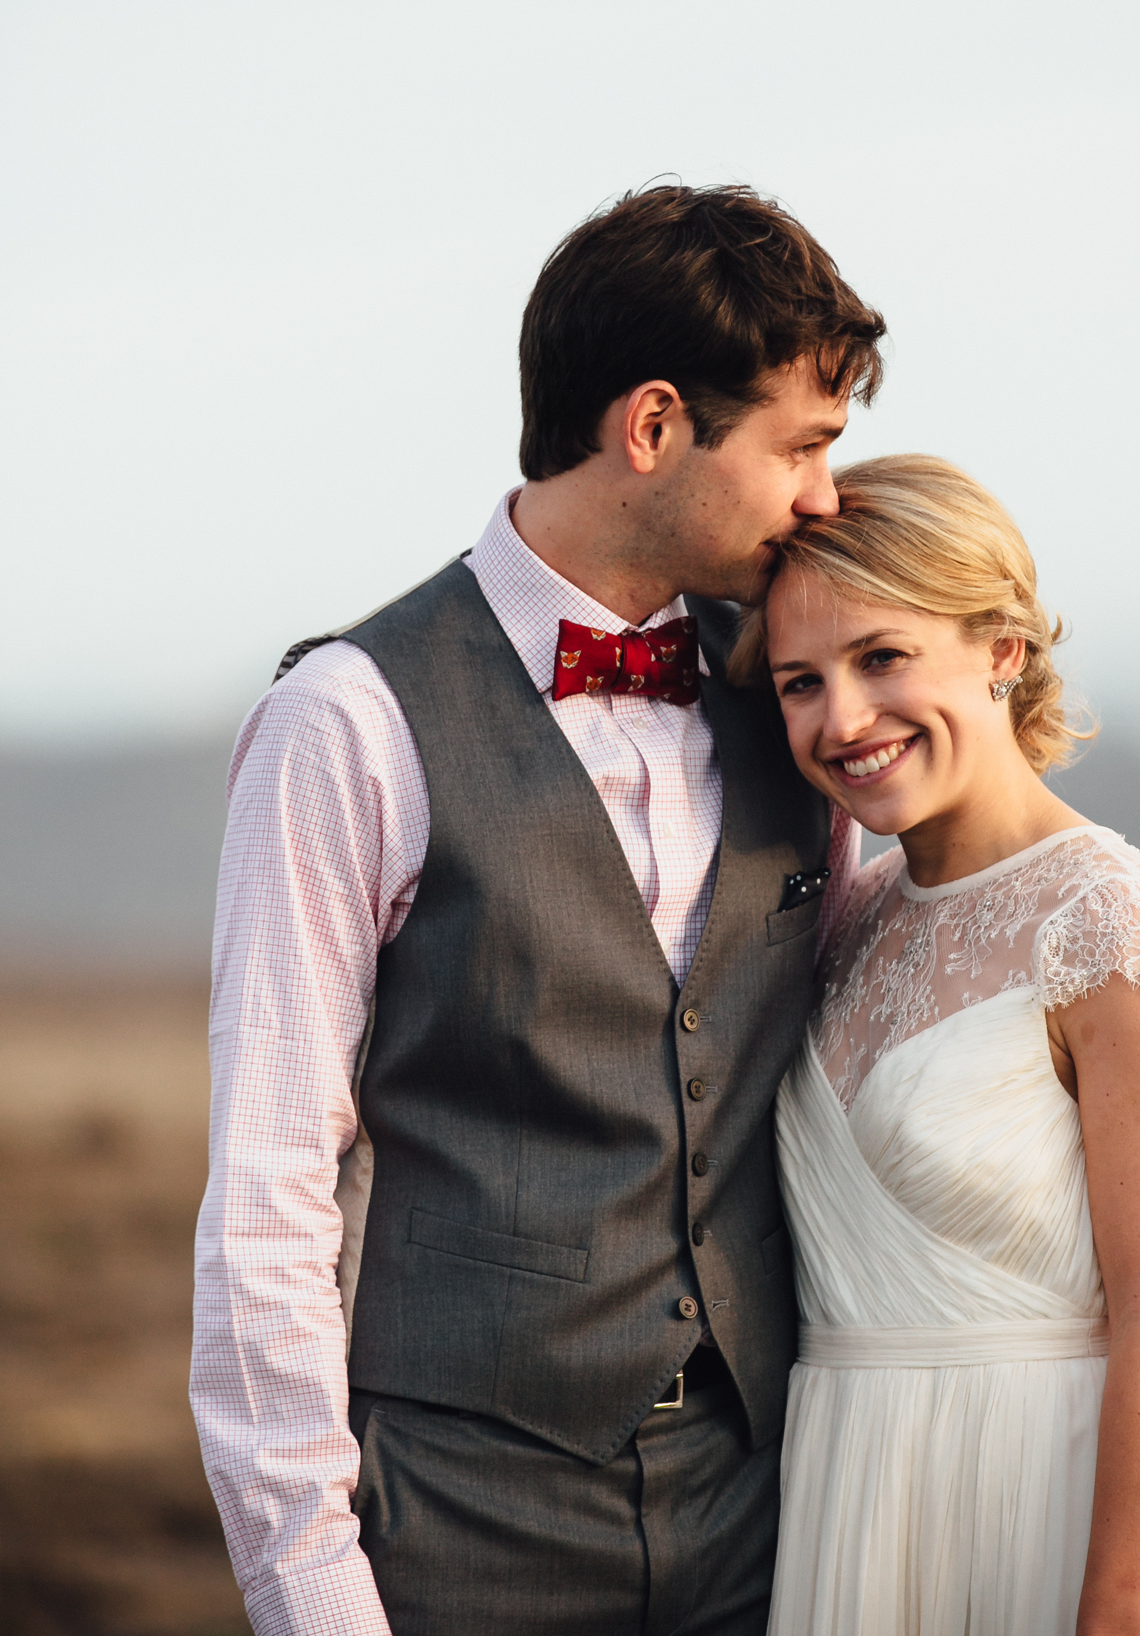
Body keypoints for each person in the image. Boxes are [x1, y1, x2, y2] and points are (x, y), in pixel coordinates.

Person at [190, 184, 886, 1636]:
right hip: (453, 1528)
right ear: (650, 428)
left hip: (766, 1520)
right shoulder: (350, 722)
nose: (826, 497)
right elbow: (267, 1196)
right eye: (802, 447)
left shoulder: (804, 704)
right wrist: (312, 1590)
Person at [730, 454, 1140, 1636]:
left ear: (1000, 648)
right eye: (797, 681)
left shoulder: (1115, 926)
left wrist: (1116, 1619)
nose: (842, 718)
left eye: (882, 657)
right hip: (853, 1516)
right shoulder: (845, 917)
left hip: (1050, 1516)